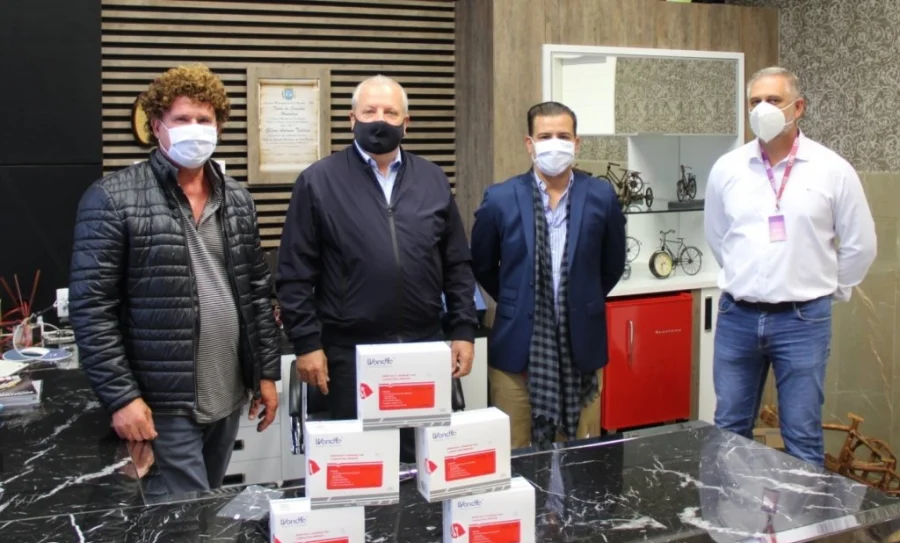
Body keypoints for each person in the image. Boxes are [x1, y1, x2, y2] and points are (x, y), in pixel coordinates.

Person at [69, 64, 282, 496]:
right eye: (182, 119)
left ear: (219, 126)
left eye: (204, 119)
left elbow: (258, 293)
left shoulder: (237, 198)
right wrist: (122, 398)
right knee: (182, 520)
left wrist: (265, 374)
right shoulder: (112, 198)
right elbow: (91, 309)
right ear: (156, 126)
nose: (195, 129)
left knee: (203, 512)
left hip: (227, 394)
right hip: (161, 404)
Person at [276, 75, 477, 462]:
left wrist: (464, 329)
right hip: (350, 355)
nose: (379, 120)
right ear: (352, 119)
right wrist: (307, 344)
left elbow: (456, 263)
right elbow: (294, 274)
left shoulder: (432, 178)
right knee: (360, 467)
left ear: (406, 122)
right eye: (369, 111)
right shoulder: (318, 181)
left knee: (422, 461)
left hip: (422, 349)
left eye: (390, 112)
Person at [704, 66, 877, 466]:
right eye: (755, 101)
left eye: (774, 100)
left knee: (801, 435)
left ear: (798, 108)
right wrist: (746, 277)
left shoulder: (832, 169)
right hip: (737, 316)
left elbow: (860, 244)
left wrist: (828, 290)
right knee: (729, 428)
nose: (762, 109)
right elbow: (718, 236)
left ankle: (805, 512)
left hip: (802, 321)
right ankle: (730, 509)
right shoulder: (728, 168)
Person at [470, 101, 627, 449]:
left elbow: (613, 264)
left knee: (579, 456)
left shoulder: (601, 196)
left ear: (576, 143)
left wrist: (580, 299)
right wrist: (517, 301)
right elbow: (482, 264)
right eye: (545, 136)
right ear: (529, 144)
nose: (554, 144)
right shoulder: (500, 198)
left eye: (563, 136)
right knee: (515, 453)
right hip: (516, 352)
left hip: (581, 349)